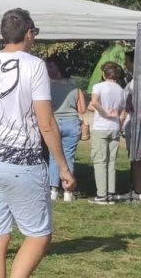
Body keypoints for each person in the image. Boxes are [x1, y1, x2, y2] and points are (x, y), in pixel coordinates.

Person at [0, 8, 75, 278]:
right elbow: (46, 123)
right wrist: (64, 168)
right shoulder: (34, 65)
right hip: (22, 160)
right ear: (29, 33)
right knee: (39, 235)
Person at [46, 55, 83, 202]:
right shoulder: (75, 87)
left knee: (54, 157)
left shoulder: (48, 87)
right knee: (69, 157)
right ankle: (68, 191)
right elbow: (82, 108)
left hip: (54, 122)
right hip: (72, 123)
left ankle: (53, 190)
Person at [89, 61, 125, 204]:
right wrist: (118, 122)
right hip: (114, 127)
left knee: (100, 161)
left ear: (104, 74)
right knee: (111, 162)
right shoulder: (120, 89)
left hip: (101, 126)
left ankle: (101, 195)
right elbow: (122, 111)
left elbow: (94, 102)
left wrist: (104, 112)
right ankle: (110, 193)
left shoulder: (98, 86)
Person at [123, 51, 141, 201]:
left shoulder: (135, 82)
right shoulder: (140, 80)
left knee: (136, 158)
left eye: (127, 61)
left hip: (136, 122)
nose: (125, 64)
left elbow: (129, 104)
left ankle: (138, 190)